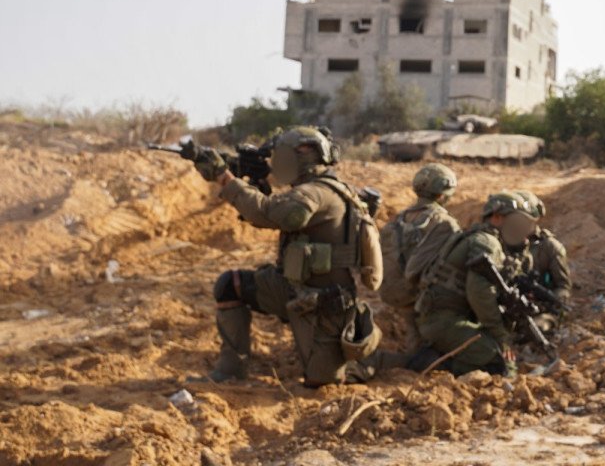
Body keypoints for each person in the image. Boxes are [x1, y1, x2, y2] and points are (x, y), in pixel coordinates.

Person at [196, 126, 385, 387]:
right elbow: (274, 209)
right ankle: (229, 371)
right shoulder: (325, 188)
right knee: (231, 285)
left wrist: (224, 177)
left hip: (323, 305)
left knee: (324, 382)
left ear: (301, 155)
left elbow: (272, 213)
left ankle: (380, 361)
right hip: (293, 289)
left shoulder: (316, 193)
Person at [414, 190, 538, 376]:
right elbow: (479, 292)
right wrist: (500, 334)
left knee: (497, 353)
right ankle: (429, 365)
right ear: (496, 217)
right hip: (443, 320)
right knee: (498, 361)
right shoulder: (487, 243)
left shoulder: (481, 237)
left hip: (443, 317)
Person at [379, 163, 461, 355]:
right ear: (442, 194)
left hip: (394, 292)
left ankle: (413, 354)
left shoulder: (399, 219)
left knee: (414, 337)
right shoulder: (444, 223)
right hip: (421, 296)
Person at [514, 190, 571, 333]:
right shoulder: (500, 243)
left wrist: (548, 304)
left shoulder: (549, 247)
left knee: (537, 328)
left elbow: (563, 287)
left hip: (537, 308)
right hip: (508, 305)